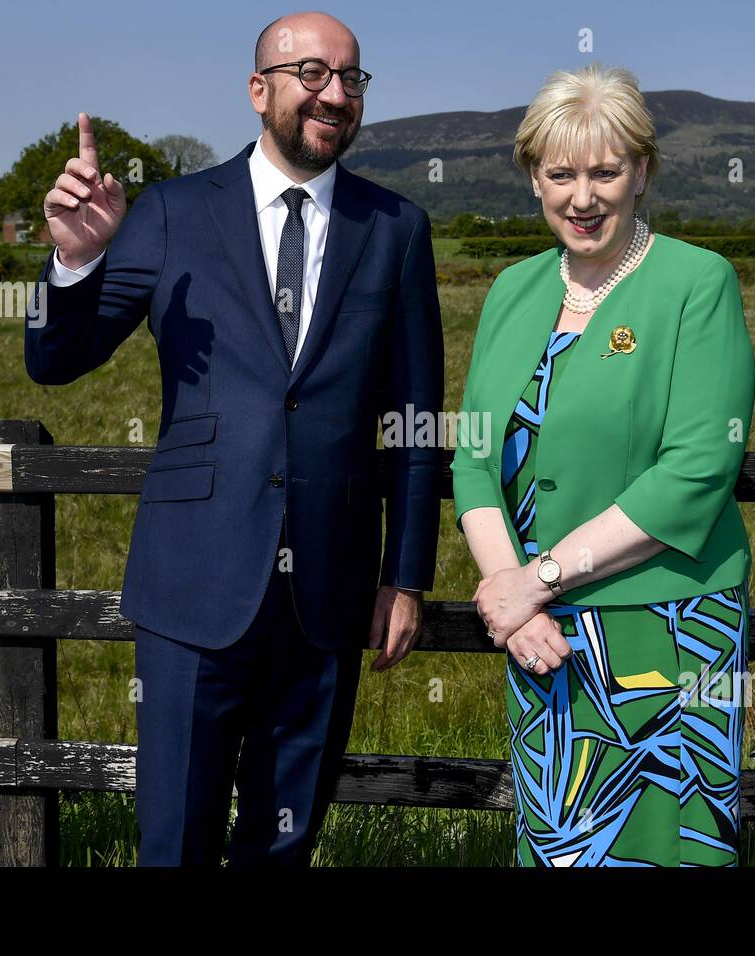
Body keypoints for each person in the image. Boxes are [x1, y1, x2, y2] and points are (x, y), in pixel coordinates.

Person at [25, 11, 444, 866]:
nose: (334, 93)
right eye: (312, 74)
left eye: (351, 79)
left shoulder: (396, 228)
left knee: (282, 850)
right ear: (260, 91)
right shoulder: (173, 211)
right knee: (174, 844)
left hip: (327, 597)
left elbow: (416, 418)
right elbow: (54, 360)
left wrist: (404, 576)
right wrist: (74, 265)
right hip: (191, 587)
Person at [451, 63, 755, 867]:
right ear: (533, 179)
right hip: (540, 636)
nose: (583, 197)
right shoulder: (512, 290)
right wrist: (511, 597)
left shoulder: (697, 283)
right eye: (561, 174)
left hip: (670, 628)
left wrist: (535, 578)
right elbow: (474, 460)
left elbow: (695, 470)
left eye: (605, 171)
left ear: (643, 172)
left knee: (666, 851)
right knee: (561, 843)